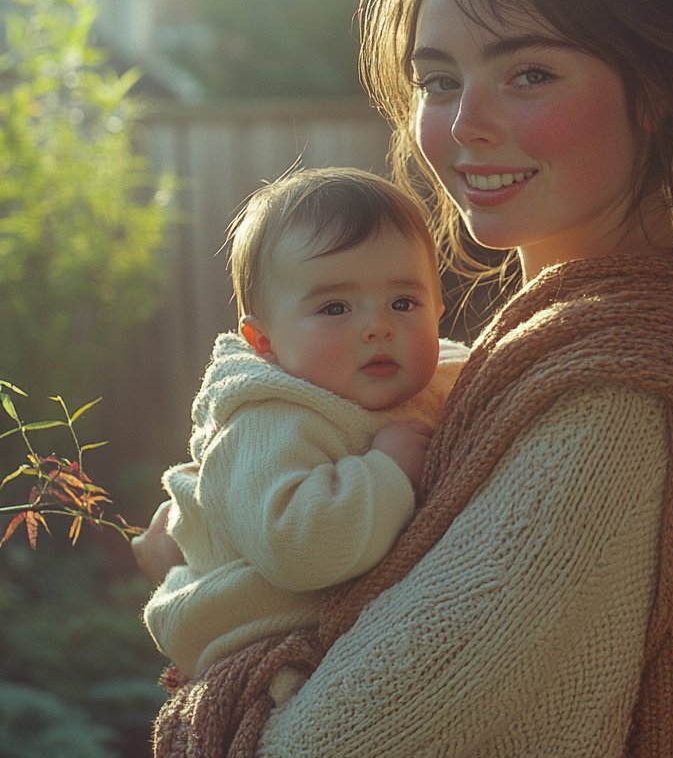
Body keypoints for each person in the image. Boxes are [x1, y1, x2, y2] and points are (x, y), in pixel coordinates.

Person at [138, 0, 673, 758]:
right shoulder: (513, 360)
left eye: (529, 75)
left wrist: (202, 600)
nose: (466, 122)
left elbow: (322, 745)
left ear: (657, 85)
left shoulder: (614, 397)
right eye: (439, 81)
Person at [141, 166, 468, 682]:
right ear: (264, 341)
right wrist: (386, 468)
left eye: (404, 303)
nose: (378, 326)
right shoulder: (265, 419)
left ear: (438, 309)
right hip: (257, 634)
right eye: (335, 307)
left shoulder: (448, 377)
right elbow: (298, 550)